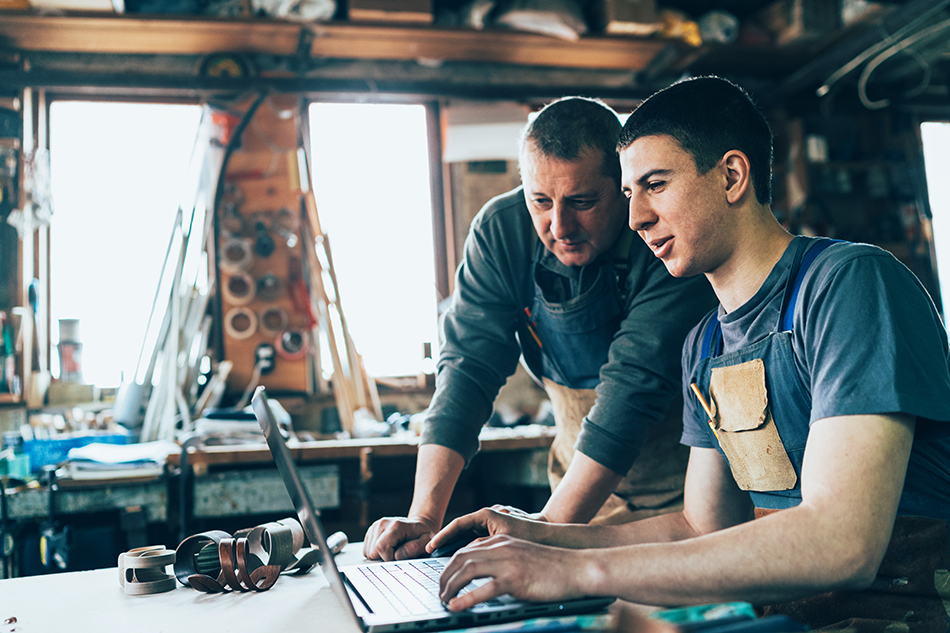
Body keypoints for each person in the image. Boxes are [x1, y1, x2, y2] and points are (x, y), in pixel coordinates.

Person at [429, 76, 950, 631]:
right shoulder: (705, 343)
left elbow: (843, 542)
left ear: (731, 175)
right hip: (787, 618)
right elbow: (705, 528)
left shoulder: (848, 286)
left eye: (655, 184)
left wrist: (580, 572)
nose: (635, 218)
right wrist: (539, 536)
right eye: (630, 194)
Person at [363, 96, 716, 561]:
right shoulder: (500, 231)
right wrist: (425, 517)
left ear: (624, 188)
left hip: (685, 498)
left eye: (582, 202)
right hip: (578, 491)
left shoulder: (662, 237)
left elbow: (633, 391)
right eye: (541, 202)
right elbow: (467, 372)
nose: (560, 226)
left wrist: (546, 532)